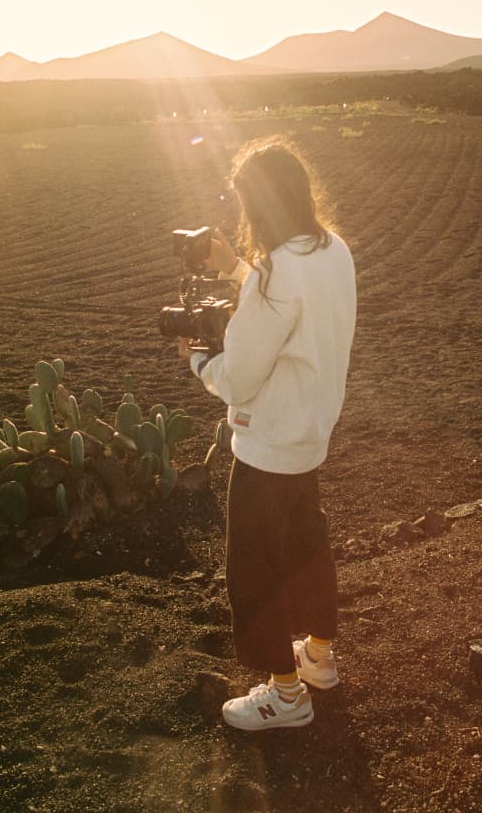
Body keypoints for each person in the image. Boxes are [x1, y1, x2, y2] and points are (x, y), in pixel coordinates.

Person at [178, 138, 357, 731]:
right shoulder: (333, 252)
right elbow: (290, 305)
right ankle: (319, 660)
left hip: (266, 446)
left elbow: (241, 377)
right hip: (310, 436)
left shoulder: (274, 274)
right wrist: (237, 269)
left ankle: (285, 694)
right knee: (308, 545)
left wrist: (201, 363)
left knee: (253, 569)